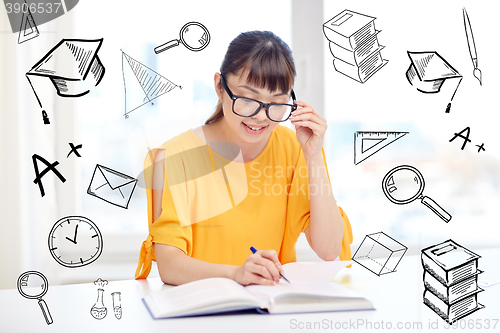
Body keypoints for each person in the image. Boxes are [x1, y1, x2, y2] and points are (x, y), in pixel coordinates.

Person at [135, 30, 353, 286]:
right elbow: (170, 265)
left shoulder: (295, 149)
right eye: (248, 99)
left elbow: (329, 250)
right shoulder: (177, 157)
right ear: (219, 86)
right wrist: (236, 275)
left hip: (269, 312)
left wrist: (314, 156)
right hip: (201, 312)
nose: (261, 116)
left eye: (276, 102)